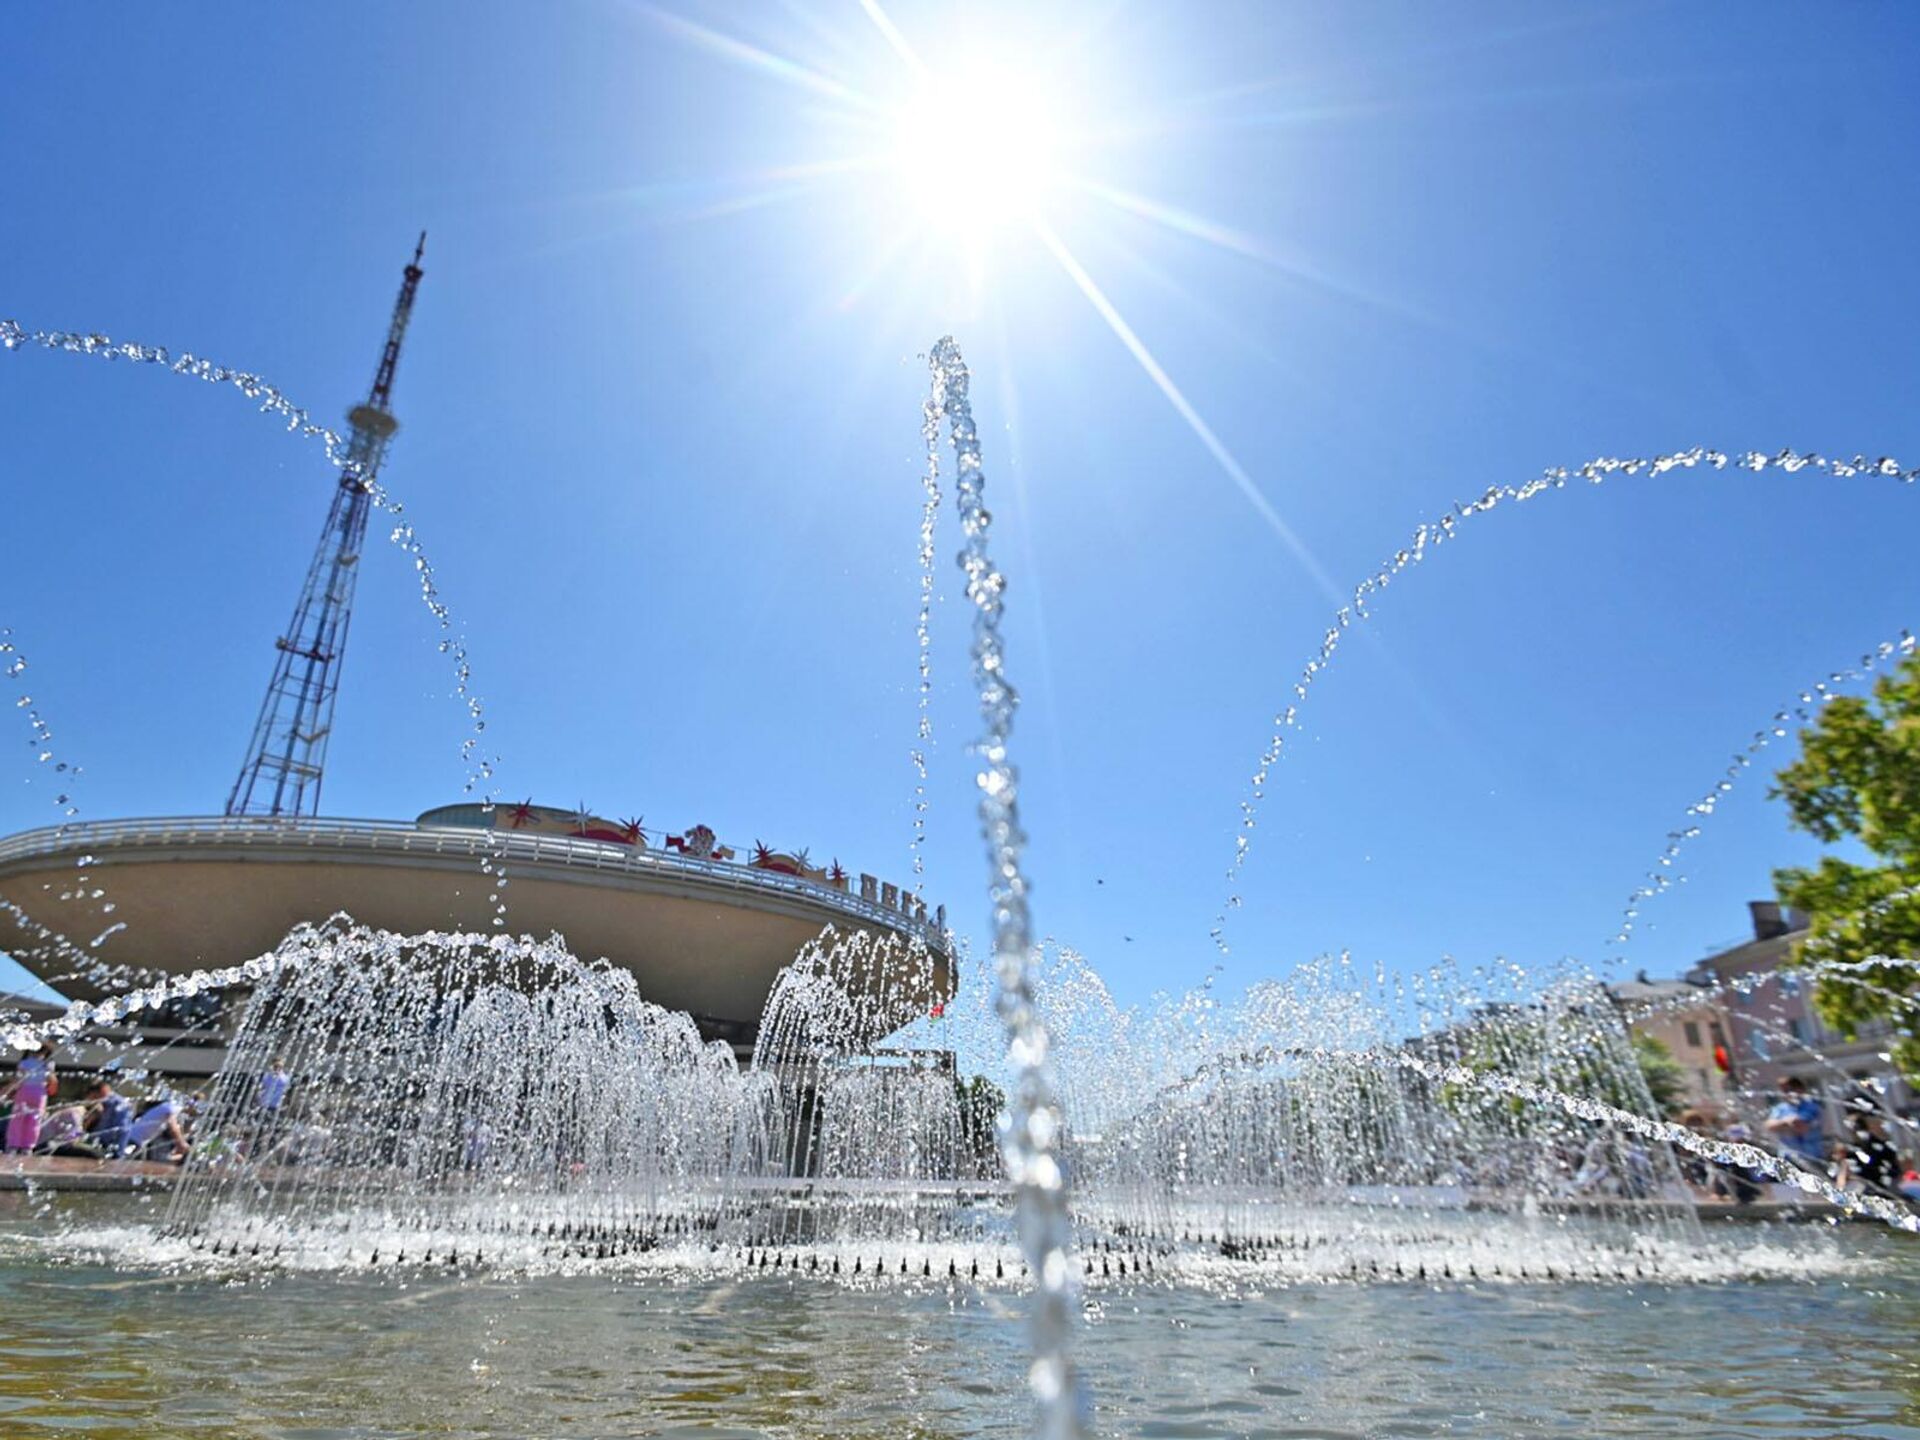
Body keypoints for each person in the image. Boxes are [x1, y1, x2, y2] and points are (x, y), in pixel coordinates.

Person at [2, 1042, 57, 1152]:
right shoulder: (48, 1064)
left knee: (17, 1119)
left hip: (24, 1091)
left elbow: (18, 1080)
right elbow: (52, 1081)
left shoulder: (24, 1063)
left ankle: (13, 1145)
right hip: (39, 1094)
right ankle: (28, 1146)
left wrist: (7, 1092)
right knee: (34, 1120)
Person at [1763, 1076, 1825, 1167]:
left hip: (1812, 1158)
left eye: (1788, 1090)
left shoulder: (1811, 1107)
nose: (1785, 1094)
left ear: (1800, 1090)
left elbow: (1801, 1127)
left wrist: (1781, 1126)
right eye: (1783, 1091)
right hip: (1788, 1159)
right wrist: (1786, 1122)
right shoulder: (1780, 1109)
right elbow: (1768, 1126)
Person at [125, 1091, 191, 1163]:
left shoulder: (165, 1108)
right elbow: (173, 1128)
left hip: (136, 1140)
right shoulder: (172, 1108)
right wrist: (181, 1143)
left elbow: (176, 1128)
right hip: (134, 1140)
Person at [85, 1078, 135, 1158]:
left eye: (95, 1097)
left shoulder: (119, 1105)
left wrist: (117, 1151)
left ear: (103, 1091)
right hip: (103, 1145)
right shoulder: (107, 1105)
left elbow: (122, 1128)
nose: (95, 1101)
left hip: (113, 1148)